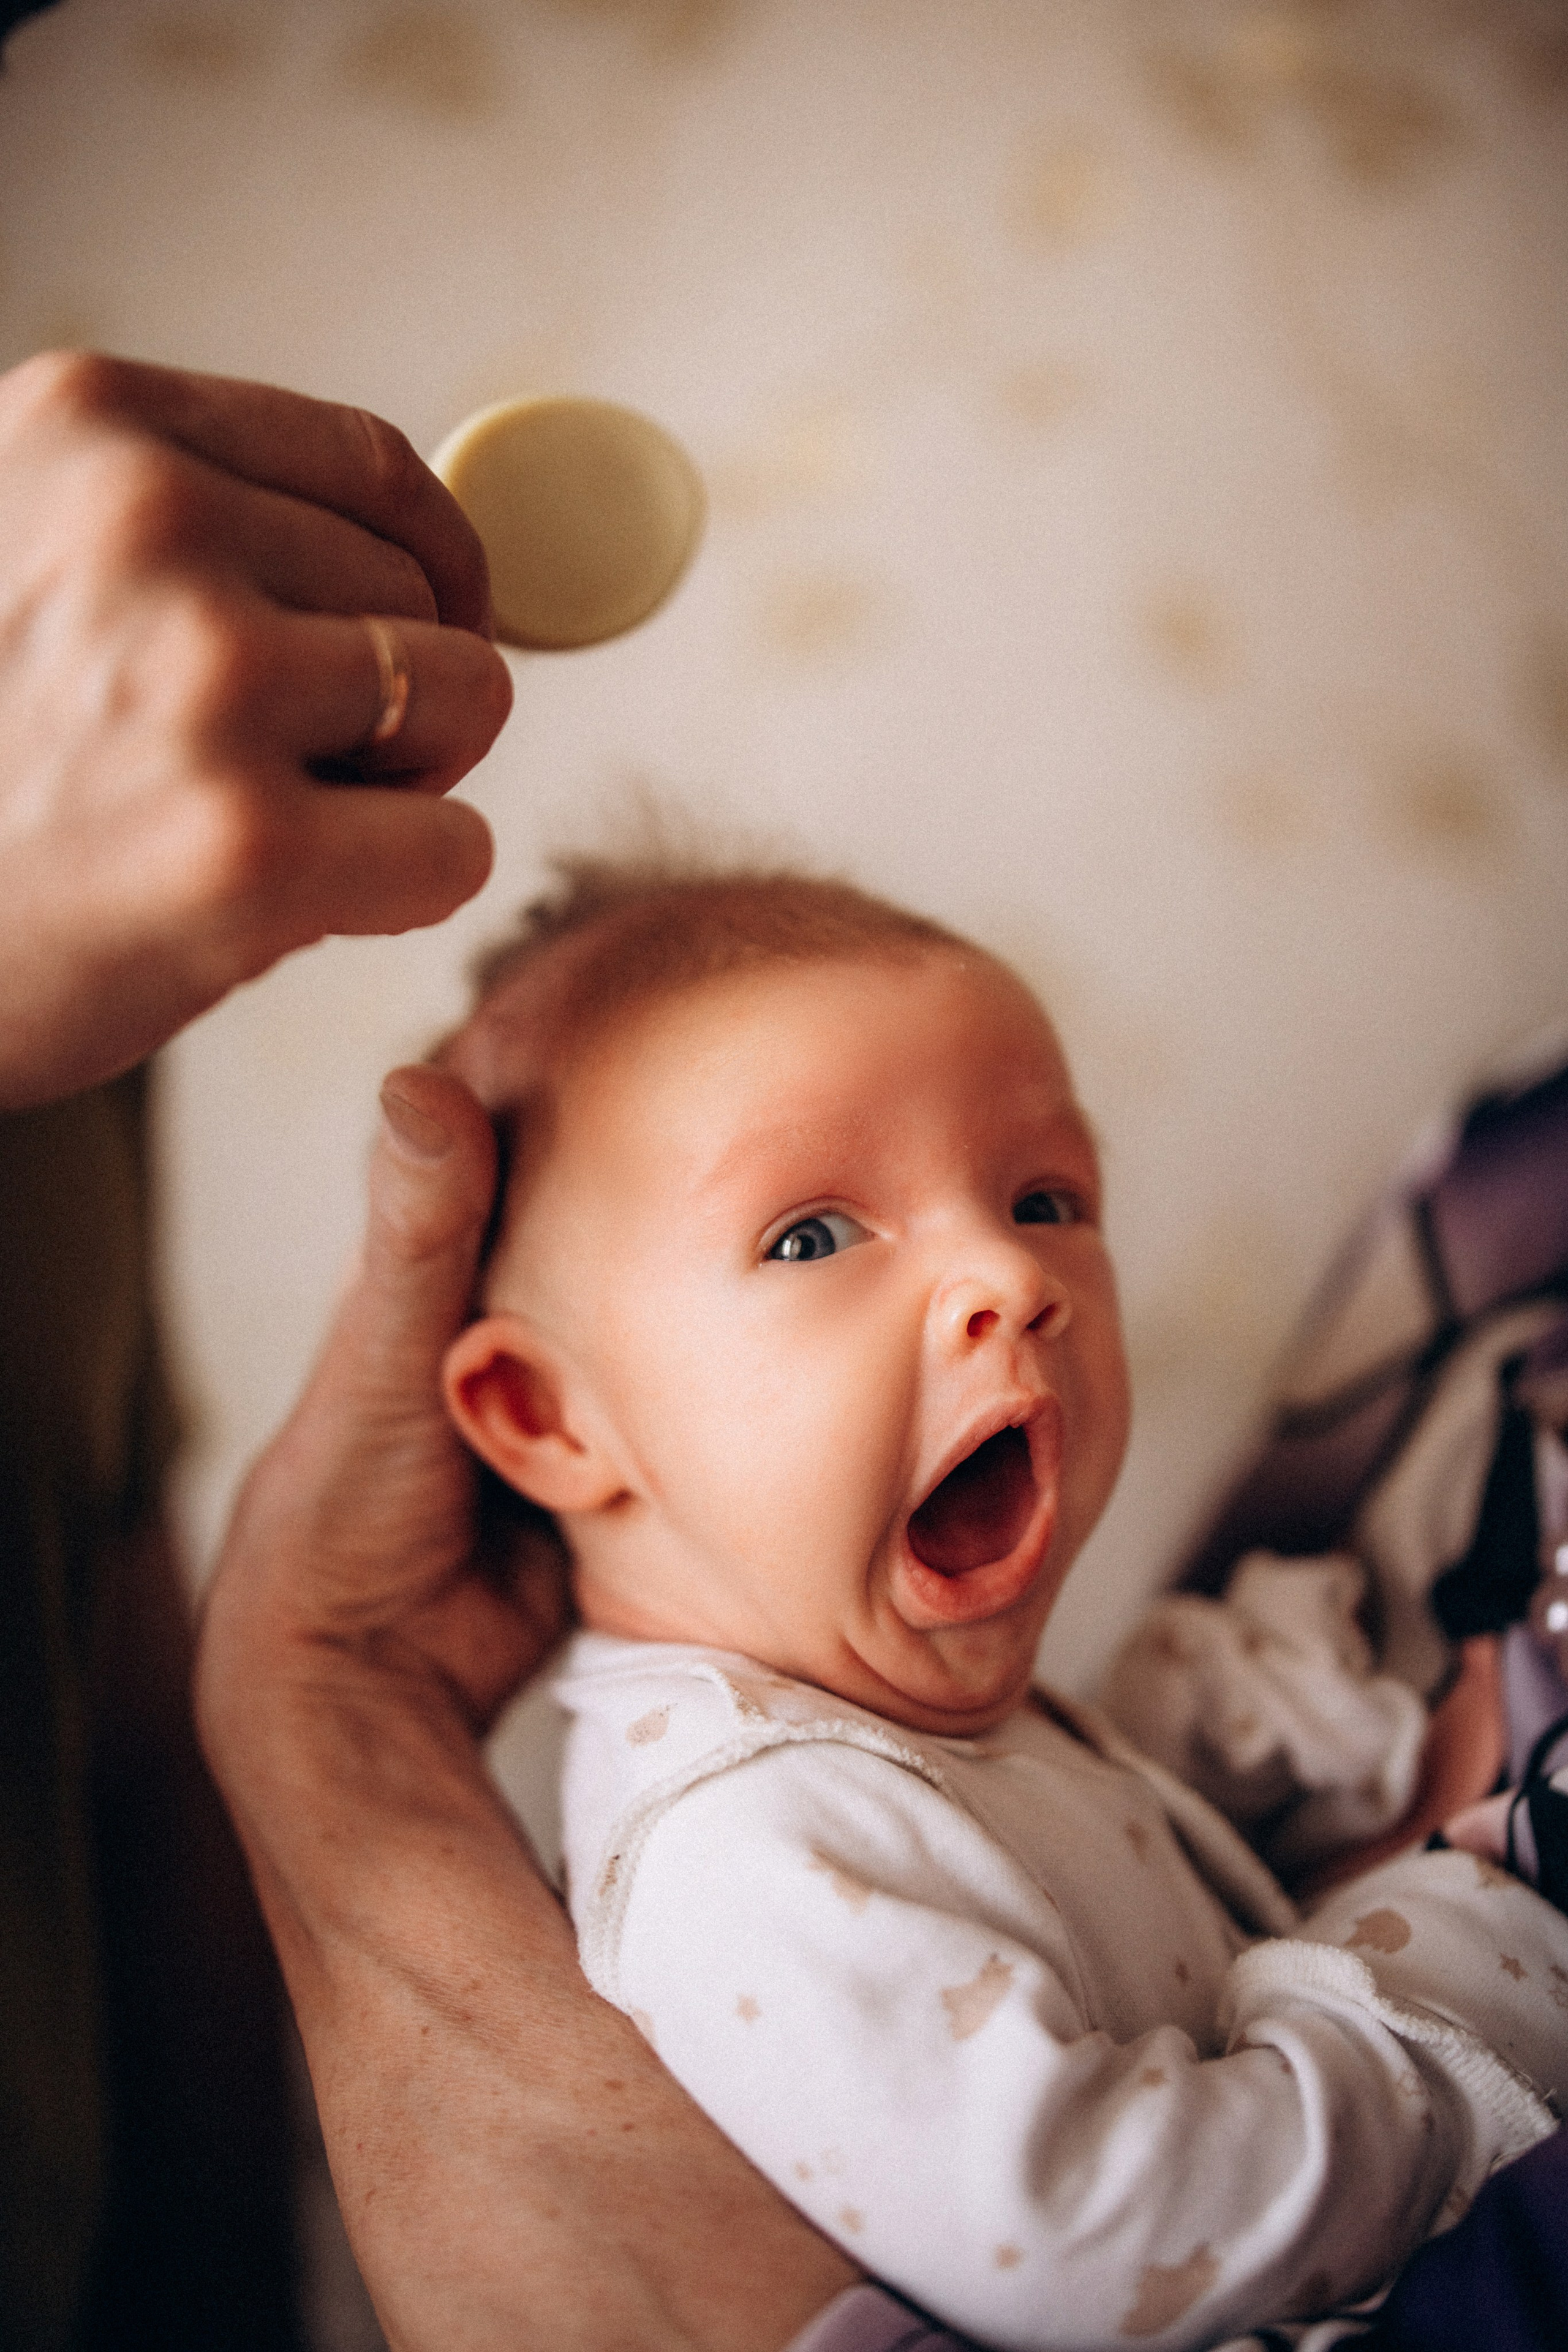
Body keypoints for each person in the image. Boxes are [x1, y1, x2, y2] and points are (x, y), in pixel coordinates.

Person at [429, 856, 1568, 2349]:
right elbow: (1113, 2234)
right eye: (812, 1235)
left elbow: (1068, 1873)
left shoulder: (859, 1698)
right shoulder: (744, 1849)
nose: (1008, 1277)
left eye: (1043, 1198)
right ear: (552, 1418)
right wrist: (1461, 1946)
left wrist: (1251, 1733)